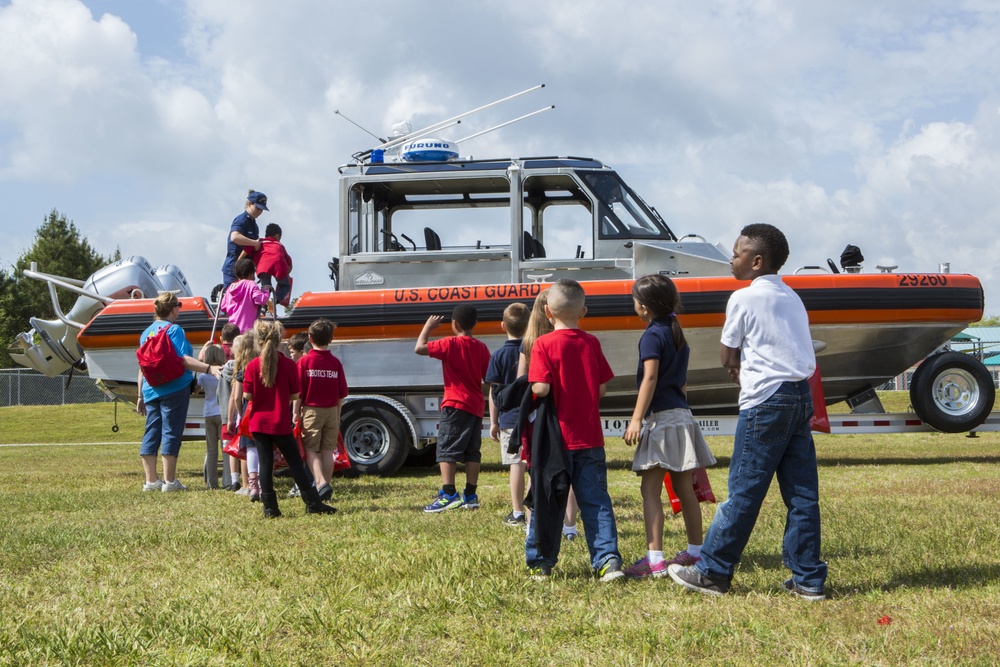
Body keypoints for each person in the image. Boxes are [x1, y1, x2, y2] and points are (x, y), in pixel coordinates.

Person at [668, 223, 827, 601]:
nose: (731, 259)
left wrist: (735, 367)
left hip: (765, 400)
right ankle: (808, 578)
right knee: (802, 495)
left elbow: (727, 352)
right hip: (799, 394)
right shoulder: (792, 296)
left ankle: (713, 571)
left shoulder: (743, 298)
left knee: (744, 491)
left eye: (737, 253)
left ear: (756, 261)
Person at [526, 279, 623, 581]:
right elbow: (603, 388)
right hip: (590, 438)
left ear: (547, 311)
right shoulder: (591, 343)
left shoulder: (543, 344)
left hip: (555, 441)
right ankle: (607, 561)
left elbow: (540, 388)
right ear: (584, 310)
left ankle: (542, 561)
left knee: (548, 501)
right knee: (596, 501)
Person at [622, 275, 716, 579]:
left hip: (661, 419)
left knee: (649, 489)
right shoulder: (677, 332)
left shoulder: (651, 336)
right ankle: (695, 552)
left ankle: (655, 560)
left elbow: (650, 378)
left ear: (645, 307)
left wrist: (636, 418)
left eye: (635, 299)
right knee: (684, 488)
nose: (633, 304)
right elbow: (682, 382)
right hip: (681, 415)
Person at [243, 320, 337, 518]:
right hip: (280, 422)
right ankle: (312, 502)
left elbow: (248, 396)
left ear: (258, 342)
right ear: (280, 341)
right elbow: (295, 395)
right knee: (295, 463)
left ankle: (270, 507)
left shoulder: (252, 366)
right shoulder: (288, 364)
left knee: (265, 464)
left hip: (259, 422)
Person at [137, 292, 223, 492]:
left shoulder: (146, 333)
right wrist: (209, 368)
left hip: (151, 389)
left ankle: (151, 481)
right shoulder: (174, 330)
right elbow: (183, 359)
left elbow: (142, 365)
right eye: (178, 306)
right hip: (174, 388)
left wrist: (141, 395)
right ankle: (169, 481)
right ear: (173, 308)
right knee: (171, 432)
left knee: (151, 431)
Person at [415, 304, 491, 513]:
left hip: (455, 404)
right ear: (474, 324)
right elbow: (489, 378)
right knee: (472, 451)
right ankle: (470, 494)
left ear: (455, 324)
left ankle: (448, 494)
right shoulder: (482, 348)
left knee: (446, 450)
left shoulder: (450, 344)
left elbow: (419, 348)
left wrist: (428, 327)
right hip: (475, 405)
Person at [517, 289, 579, 541]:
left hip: (538, 418)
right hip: (566, 414)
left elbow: (522, 381)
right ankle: (571, 526)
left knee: (536, 469)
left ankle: (533, 526)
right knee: (570, 473)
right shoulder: (565, 339)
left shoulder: (530, 342)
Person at [486, 302, 531, 527]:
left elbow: (494, 393)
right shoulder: (534, 350)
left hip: (509, 419)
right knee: (533, 465)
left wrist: (493, 422)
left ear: (503, 325)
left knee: (516, 464)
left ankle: (517, 512)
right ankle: (535, 509)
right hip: (532, 417)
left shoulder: (498, 355)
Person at [294, 319, 348, 502]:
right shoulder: (335, 363)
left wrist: (295, 413)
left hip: (311, 410)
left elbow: (298, 393)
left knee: (310, 448)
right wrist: (338, 412)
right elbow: (342, 393)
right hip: (332, 410)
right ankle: (325, 489)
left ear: (309, 338)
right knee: (327, 450)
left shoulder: (304, 362)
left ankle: (321, 483)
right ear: (331, 339)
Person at [229, 332, 260, 499]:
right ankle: (263, 483)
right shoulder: (263, 363)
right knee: (264, 448)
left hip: (248, 410)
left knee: (250, 448)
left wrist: (239, 414)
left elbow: (236, 396)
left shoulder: (243, 367)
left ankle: (250, 484)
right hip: (266, 409)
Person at [221, 189, 268, 292]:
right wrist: (254, 243)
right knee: (232, 300)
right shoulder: (241, 220)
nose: (260, 212)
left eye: (262, 210)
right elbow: (235, 237)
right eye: (258, 208)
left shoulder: (254, 225)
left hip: (246, 270)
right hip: (233, 268)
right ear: (249, 203)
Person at [241, 222, 293, 308]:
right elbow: (289, 262)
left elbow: (248, 248)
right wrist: (286, 274)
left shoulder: (259, 242)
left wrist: (239, 260)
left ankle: (264, 307)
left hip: (263, 267)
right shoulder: (279, 245)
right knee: (285, 285)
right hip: (279, 266)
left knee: (266, 288)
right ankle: (274, 300)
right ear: (277, 236)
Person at [197, 344, 227, 489]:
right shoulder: (224, 372)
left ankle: (212, 482)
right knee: (225, 448)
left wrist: (201, 361)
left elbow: (195, 390)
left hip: (208, 413)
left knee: (211, 450)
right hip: (222, 413)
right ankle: (228, 480)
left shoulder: (203, 376)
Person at [220, 258, 270, 334]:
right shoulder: (250, 284)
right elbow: (261, 300)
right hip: (247, 330)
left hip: (232, 329)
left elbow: (223, 307)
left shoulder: (230, 288)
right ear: (251, 274)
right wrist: (266, 291)